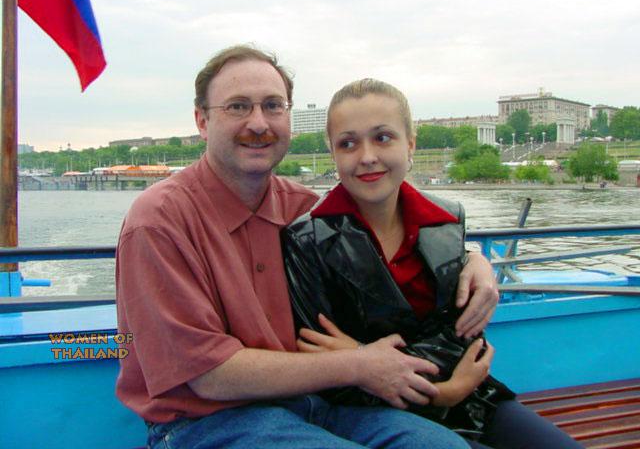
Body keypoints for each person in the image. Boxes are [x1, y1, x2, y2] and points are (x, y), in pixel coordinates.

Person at [115, 45, 498, 449]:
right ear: (202, 121)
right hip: (203, 421)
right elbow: (208, 375)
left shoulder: (304, 211)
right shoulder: (159, 220)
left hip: (310, 404)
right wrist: (357, 365)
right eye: (238, 107)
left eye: (273, 106)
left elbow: (397, 239)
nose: (258, 123)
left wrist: (472, 260)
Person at [282, 78, 584, 449]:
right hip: (373, 413)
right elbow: (322, 363)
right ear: (333, 153)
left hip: (471, 398)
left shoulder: (446, 219)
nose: (367, 156)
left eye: (383, 138)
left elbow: (463, 335)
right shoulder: (305, 240)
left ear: (410, 144)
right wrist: (441, 392)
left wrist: (362, 356)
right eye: (348, 143)